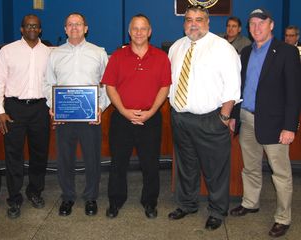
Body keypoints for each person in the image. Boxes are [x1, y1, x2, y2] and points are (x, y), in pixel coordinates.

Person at [167, 5, 241, 230]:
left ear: (208, 23)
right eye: (189, 19)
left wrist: (224, 116)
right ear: (184, 23)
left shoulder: (222, 48)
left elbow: (233, 85)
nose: (193, 23)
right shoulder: (176, 47)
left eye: (199, 19)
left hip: (211, 119)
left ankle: (217, 211)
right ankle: (188, 204)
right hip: (180, 117)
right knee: (186, 166)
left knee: (215, 169)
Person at [229, 8, 301, 238]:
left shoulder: (287, 52)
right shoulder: (246, 52)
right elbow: (241, 88)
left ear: (271, 25)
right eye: (252, 24)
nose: (256, 27)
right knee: (250, 167)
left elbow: (293, 93)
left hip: (275, 123)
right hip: (247, 118)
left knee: (280, 173)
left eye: (261, 23)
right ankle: (250, 202)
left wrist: (290, 126)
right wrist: (234, 115)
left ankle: (283, 218)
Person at [101, 14, 171, 219]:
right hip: (122, 119)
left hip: (150, 119)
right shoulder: (117, 57)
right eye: (135, 29)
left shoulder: (161, 57)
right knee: (118, 164)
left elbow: (164, 87)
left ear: (150, 32)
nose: (139, 32)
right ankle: (115, 201)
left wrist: (151, 112)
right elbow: (110, 86)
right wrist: (123, 110)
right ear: (129, 32)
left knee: (150, 164)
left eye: (143, 29)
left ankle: (150, 202)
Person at [43, 12, 110, 217]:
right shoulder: (54, 54)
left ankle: (91, 198)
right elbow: (47, 83)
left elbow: (107, 84)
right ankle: (68, 197)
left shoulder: (99, 53)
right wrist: (53, 105)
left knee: (92, 159)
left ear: (86, 28)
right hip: (64, 116)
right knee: (64, 160)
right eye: (70, 25)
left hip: (90, 116)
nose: (74, 28)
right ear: (65, 29)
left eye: (78, 24)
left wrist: (100, 108)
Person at [0, 14, 51, 219]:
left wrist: (54, 108)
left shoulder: (49, 52)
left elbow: (52, 83)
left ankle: (35, 192)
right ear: (21, 29)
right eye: (28, 25)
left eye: (36, 26)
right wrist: (0, 111)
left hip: (40, 109)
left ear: (40, 29)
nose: (32, 28)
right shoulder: (7, 51)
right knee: (13, 156)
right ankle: (14, 198)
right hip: (14, 109)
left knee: (39, 154)